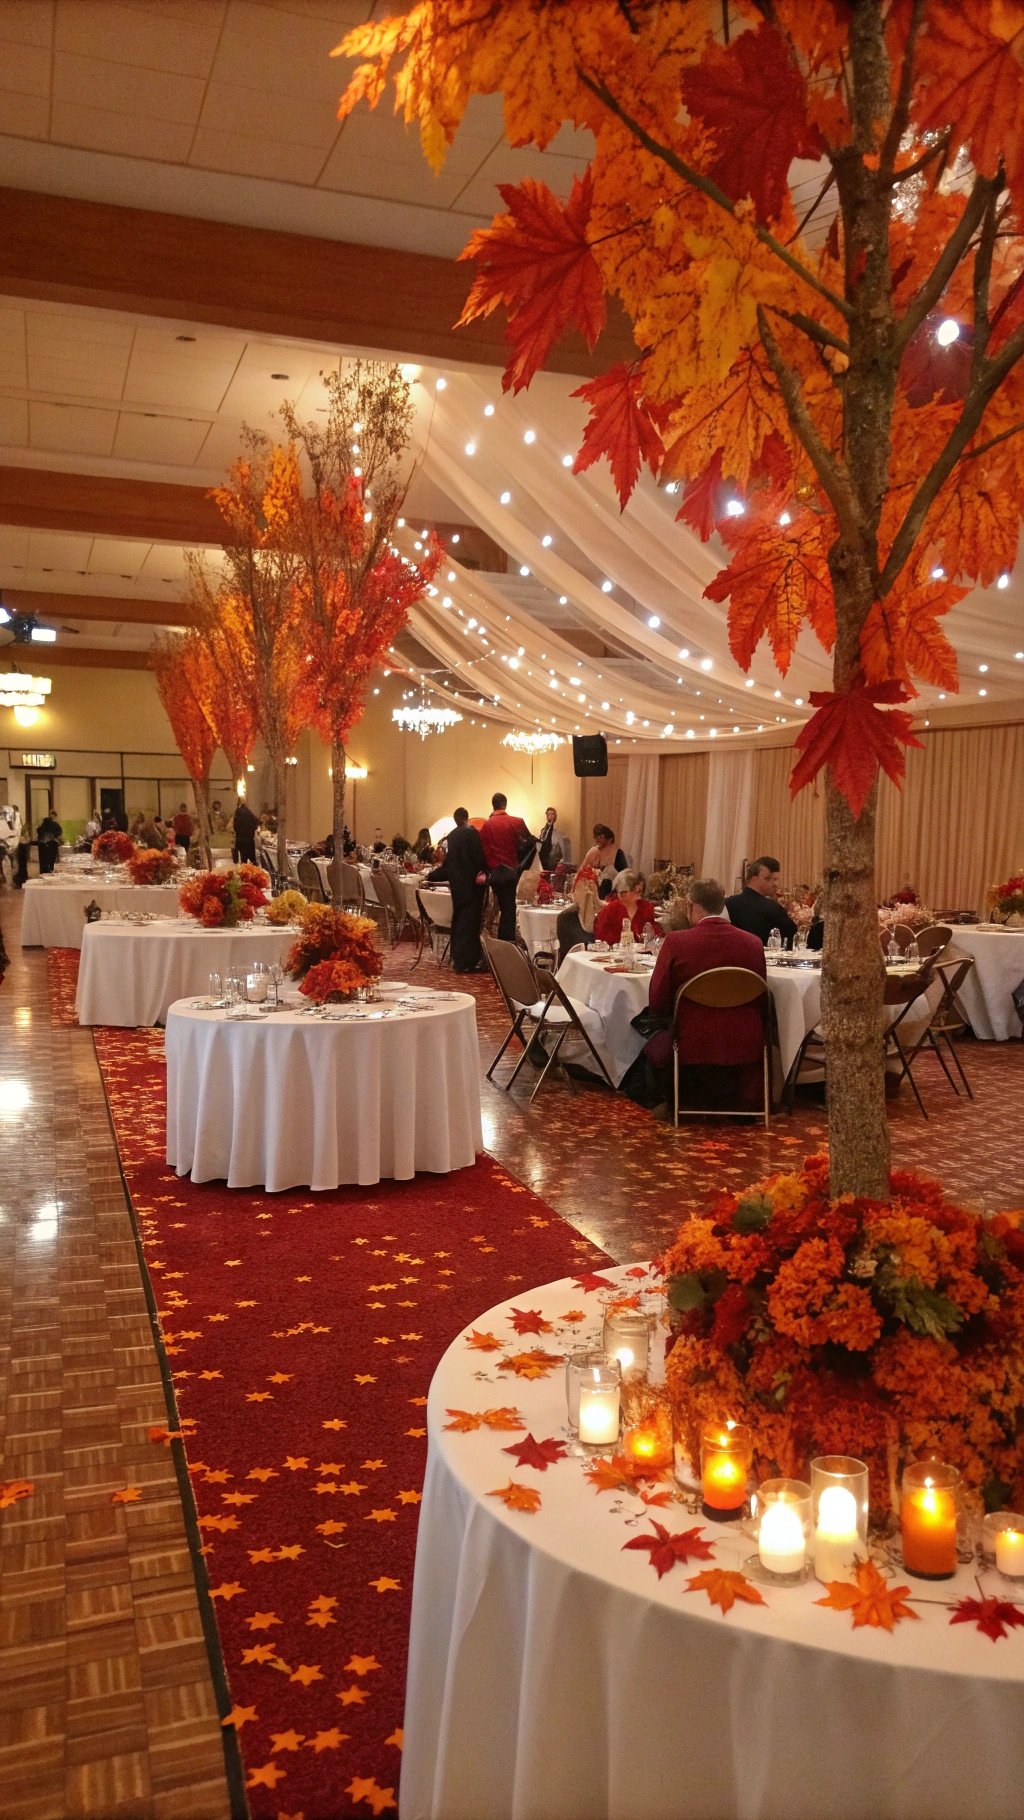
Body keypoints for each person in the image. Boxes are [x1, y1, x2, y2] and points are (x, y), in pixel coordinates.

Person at [641, 876, 767, 1111]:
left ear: (692, 905)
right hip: (745, 1035)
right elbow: (761, 997)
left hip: (692, 1034)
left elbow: (658, 998)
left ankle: (672, 1099)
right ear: (723, 905)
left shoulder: (677, 942)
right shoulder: (753, 943)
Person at [427, 807, 487, 972]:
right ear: (467, 818)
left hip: (457, 886)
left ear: (455, 820)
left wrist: (430, 876)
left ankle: (457, 958)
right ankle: (467, 962)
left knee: (459, 921)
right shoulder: (472, 834)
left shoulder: (451, 837)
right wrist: (486, 873)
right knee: (470, 923)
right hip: (472, 885)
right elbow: (479, 858)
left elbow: (446, 867)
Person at [480, 791, 532, 942]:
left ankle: (492, 938)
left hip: (494, 873)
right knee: (508, 909)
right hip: (511, 872)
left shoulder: (486, 825)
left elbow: (482, 850)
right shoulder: (517, 822)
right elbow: (530, 843)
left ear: (493, 805)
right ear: (505, 804)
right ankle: (506, 942)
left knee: (496, 907)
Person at [725, 856, 798, 948]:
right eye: (768, 879)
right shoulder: (773, 908)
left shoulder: (727, 904)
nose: (775, 884)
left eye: (776, 879)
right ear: (752, 879)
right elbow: (792, 938)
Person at [593, 870, 657, 945]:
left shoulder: (646, 908)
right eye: (637, 890)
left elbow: (653, 935)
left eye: (640, 891)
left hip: (643, 954)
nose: (639, 894)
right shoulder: (611, 909)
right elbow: (601, 935)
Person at [556, 866, 599, 964]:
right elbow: (567, 956)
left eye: (590, 885)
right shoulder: (567, 918)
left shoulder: (604, 916)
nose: (587, 890)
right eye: (582, 886)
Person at [581, 824, 628, 892]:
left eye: (601, 837)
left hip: (611, 894)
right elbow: (581, 872)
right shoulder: (593, 852)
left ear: (609, 839)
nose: (597, 839)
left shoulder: (618, 853)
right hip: (590, 892)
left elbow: (625, 877)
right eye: (596, 837)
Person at [0, 804, 23, 888]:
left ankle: (10, 880)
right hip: (6, 844)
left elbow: (13, 829)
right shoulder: (8, 817)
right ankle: (8, 880)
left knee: (11, 862)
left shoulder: (13, 816)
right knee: (8, 862)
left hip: (9, 843)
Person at [35, 808, 63, 876]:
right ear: (54, 815)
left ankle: (43, 873)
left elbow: (38, 831)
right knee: (51, 861)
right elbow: (59, 832)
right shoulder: (55, 825)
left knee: (43, 861)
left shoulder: (43, 824)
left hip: (42, 845)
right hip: (52, 844)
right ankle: (50, 872)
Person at [233, 798, 259, 866]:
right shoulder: (249, 812)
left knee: (242, 860)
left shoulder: (238, 811)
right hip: (249, 840)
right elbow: (256, 822)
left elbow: (235, 825)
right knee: (252, 860)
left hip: (240, 840)